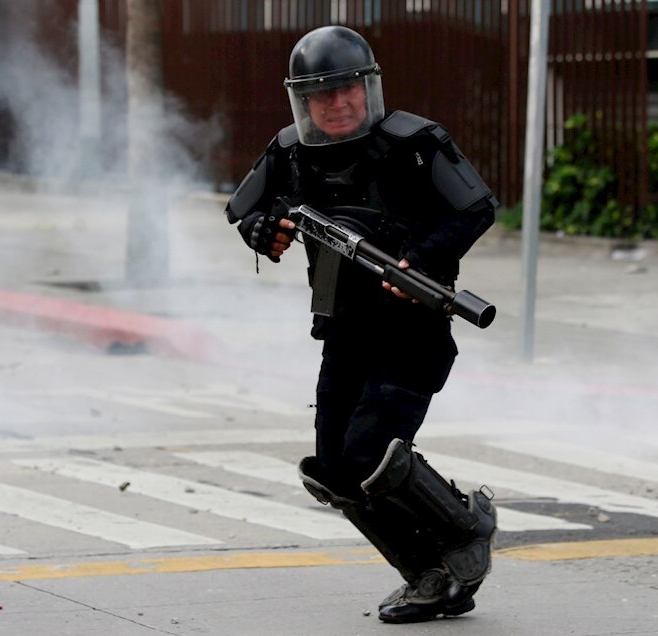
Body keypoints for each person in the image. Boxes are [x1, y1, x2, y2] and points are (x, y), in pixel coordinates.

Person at [224, 25, 499, 623]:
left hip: (412, 334)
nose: (337, 103)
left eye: (346, 88)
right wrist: (264, 232)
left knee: (370, 451)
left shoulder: (413, 144)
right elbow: (244, 210)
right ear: (302, 100)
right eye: (321, 94)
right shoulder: (291, 151)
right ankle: (430, 576)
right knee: (334, 471)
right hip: (343, 334)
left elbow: (477, 209)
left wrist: (419, 261)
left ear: (367, 88)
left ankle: (466, 531)